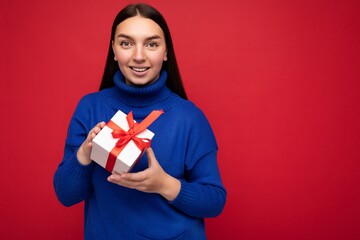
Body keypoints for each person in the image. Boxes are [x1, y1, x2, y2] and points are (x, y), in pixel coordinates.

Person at [53, 3, 226, 240]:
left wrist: (164, 184)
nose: (138, 56)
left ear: (166, 52)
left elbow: (215, 201)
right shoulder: (90, 108)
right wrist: (85, 152)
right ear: (114, 50)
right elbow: (66, 195)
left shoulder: (190, 117)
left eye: (151, 44)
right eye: (126, 43)